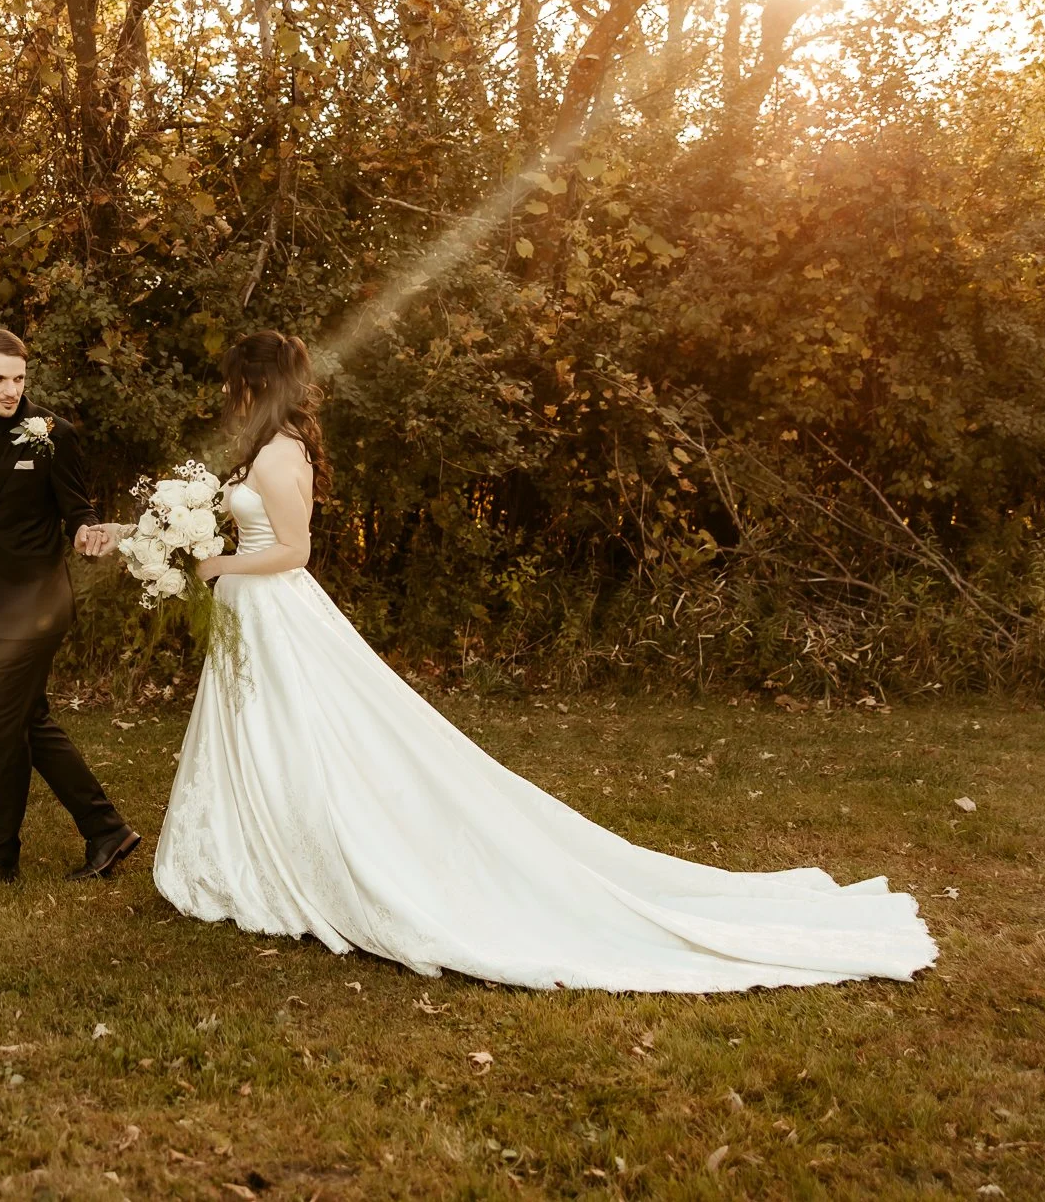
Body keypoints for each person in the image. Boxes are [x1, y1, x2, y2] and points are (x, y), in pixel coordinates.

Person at [152, 330, 939, 991]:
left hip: (273, 607)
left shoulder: (282, 456)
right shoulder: (269, 447)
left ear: (256, 383)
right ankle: (248, 848)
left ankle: (300, 856)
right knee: (257, 738)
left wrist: (217, 564)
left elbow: (295, 549)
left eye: (237, 384)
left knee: (298, 736)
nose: (233, 396)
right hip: (252, 616)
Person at [0, 329, 142, 890]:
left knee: (1, 726)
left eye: (18, 379)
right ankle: (105, 829)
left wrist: (88, 530)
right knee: (28, 721)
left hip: (40, 604)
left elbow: (77, 506)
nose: (11, 390)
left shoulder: (51, 434)